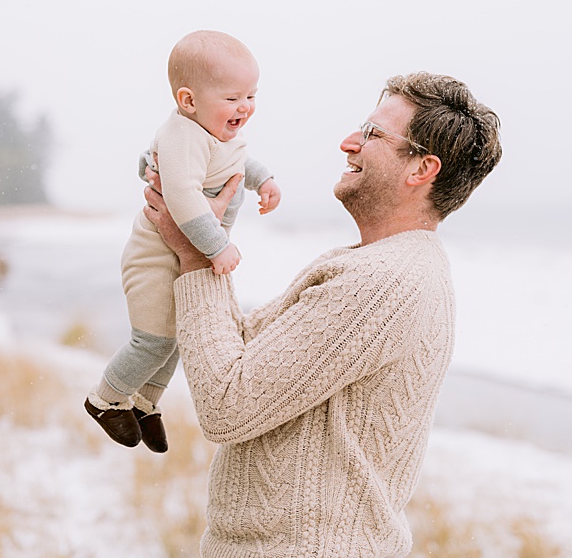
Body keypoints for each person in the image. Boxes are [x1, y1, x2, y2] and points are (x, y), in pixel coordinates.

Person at [143, 72, 500, 555]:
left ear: (421, 168)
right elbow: (241, 350)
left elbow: (225, 404)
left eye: (373, 134)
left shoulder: (381, 283)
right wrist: (209, 237)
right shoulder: (376, 265)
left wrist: (194, 255)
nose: (348, 142)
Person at [84, 30, 282, 453]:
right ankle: (105, 400)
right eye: (233, 97)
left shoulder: (214, 133)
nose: (245, 106)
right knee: (152, 341)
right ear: (188, 101)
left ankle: (144, 403)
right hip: (154, 258)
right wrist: (217, 246)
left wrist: (263, 180)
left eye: (251, 96)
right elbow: (183, 197)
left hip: (179, 255)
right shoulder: (182, 135)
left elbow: (237, 160)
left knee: (177, 337)